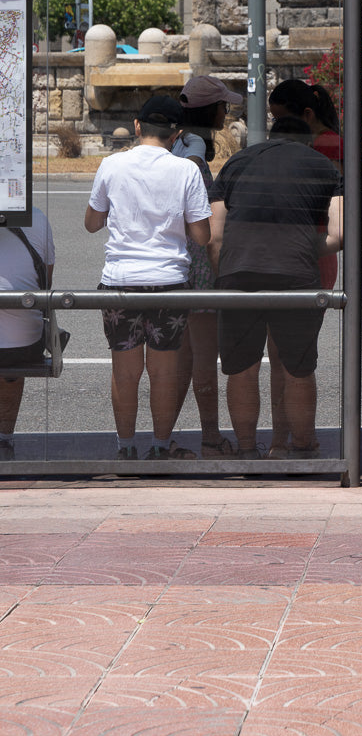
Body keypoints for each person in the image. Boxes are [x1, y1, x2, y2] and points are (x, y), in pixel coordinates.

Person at [85, 94, 212, 461]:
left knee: (125, 371)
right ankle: (159, 446)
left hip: (120, 280)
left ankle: (125, 448)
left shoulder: (111, 165)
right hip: (169, 280)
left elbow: (92, 223)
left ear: (138, 127)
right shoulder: (186, 169)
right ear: (177, 134)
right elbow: (202, 236)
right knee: (164, 371)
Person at [209, 115, 343, 459]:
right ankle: (301, 448)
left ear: (270, 137)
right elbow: (339, 234)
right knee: (297, 366)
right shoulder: (324, 167)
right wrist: (300, 247)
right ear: (306, 140)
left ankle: (247, 450)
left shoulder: (237, 162)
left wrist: (221, 275)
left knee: (241, 367)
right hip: (295, 272)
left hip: (238, 271)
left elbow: (216, 235)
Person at [173, 75, 244, 458]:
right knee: (203, 355)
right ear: (208, 110)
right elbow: (200, 211)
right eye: (222, 105)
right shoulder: (196, 148)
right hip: (197, 262)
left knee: (181, 356)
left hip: (173, 259)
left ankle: (162, 434)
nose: (226, 111)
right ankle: (211, 435)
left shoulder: (176, 138)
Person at [0, 211, 56, 460]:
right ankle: (4, 439)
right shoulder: (38, 218)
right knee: (14, 350)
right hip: (23, 343)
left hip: (19, 341)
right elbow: (45, 282)